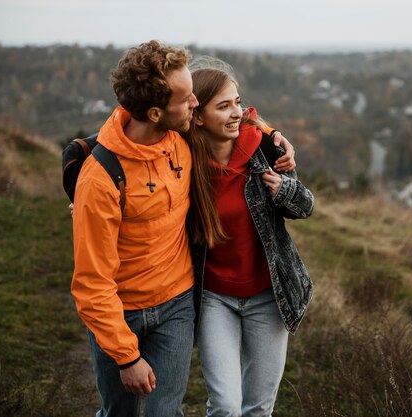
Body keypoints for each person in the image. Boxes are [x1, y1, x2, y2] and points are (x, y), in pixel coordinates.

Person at [70, 41, 295, 417]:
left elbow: (235, 116)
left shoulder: (182, 138)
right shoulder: (102, 178)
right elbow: (91, 283)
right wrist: (127, 359)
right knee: (119, 413)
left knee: (166, 412)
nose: (195, 104)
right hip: (120, 311)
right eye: (187, 98)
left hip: (177, 305)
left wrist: (274, 135)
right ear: (156, 112)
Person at [186, 61, 314, 417]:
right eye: (224, 106)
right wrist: (83, 193)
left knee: (258, 408)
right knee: (224, 407)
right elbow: (127, 139)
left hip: (267, 297)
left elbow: (306, 207)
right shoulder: (182, 160)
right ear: (196, 115)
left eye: (238, 103)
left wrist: (284, 189)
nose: (236, 113)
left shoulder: (265, 150)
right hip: (214, 298)